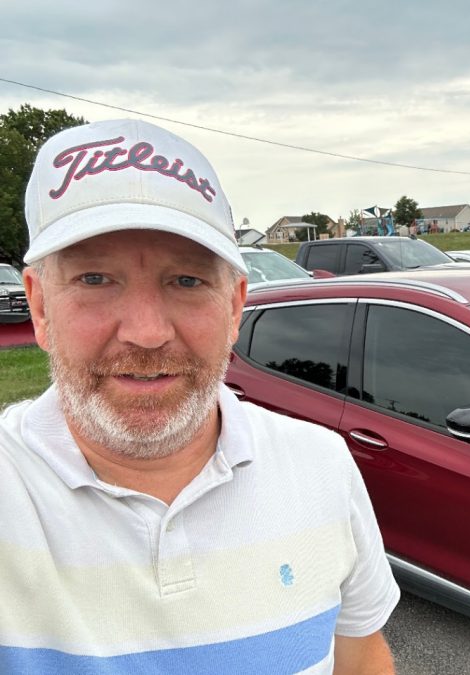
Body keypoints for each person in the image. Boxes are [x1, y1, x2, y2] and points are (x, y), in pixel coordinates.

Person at [0, 119, 400, 674]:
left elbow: (360, 658)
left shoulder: (321, 465)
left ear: (234, 307)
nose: (146, 333)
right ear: (41, 307)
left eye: (187, 281)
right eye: (95, 279)